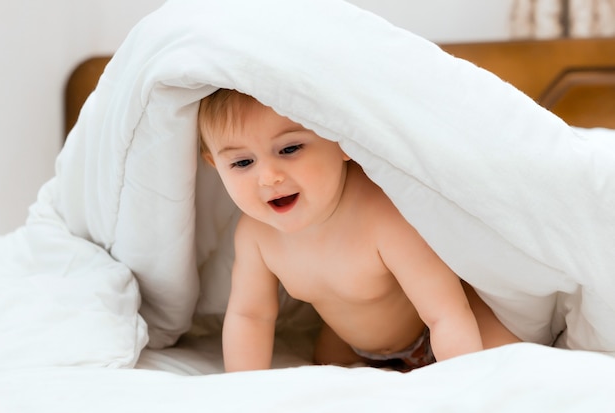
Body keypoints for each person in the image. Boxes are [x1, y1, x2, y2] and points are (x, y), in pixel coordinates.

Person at [197, 88, 520, 373]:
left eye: (290, 149)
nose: (268, 177)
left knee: (507, 363)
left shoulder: (384, 215)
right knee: (324, 367)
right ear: (215, 165)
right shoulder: (255, 235)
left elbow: (445, 313)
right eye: (241, 163)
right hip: (353, 343)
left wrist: (462, 390)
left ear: (342, 140)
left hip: (436, 328)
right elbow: (250, 316)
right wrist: (242, 395)